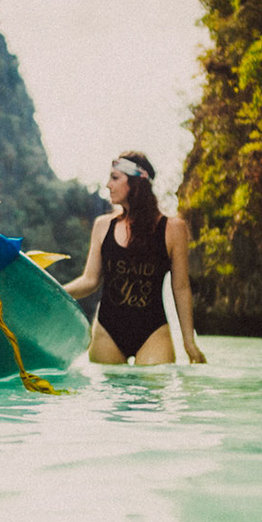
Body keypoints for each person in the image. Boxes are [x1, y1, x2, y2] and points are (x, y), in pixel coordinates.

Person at [61, 152, 206, 366]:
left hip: (153, 332)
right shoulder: (103, 226)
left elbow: (181, 287)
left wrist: (189, 342)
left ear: (136, 182)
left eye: (115, 178)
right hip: (107, 332)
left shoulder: (173, 229)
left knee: (150, 397)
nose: (108, 184)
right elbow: (90, 281)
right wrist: (55, 292)